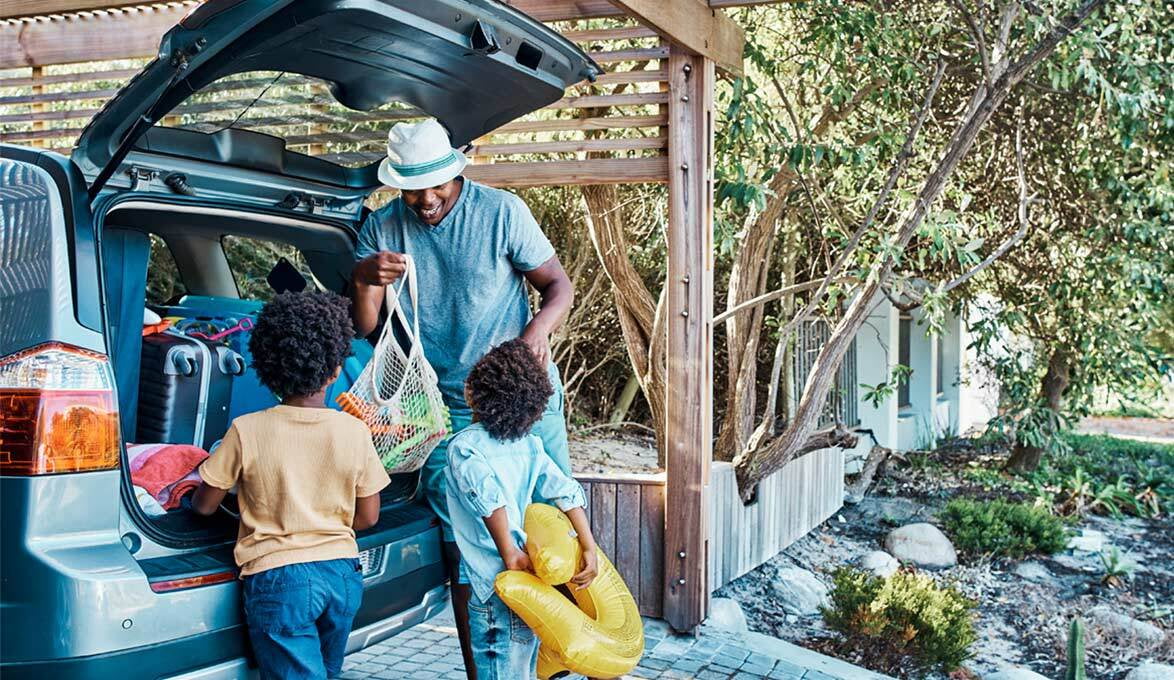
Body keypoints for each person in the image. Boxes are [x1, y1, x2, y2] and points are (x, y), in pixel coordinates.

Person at [350, 117, 574, 675]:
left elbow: (557, 286)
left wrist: (533, 338)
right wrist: (363, 280)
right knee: (470, 548)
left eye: (437, 184)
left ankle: (561, 659)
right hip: (443, 409)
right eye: (413, 187)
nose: (426, 199)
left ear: (456, 171)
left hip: (524, 396)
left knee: (551, 529)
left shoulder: (501, 213)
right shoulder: (380, 229)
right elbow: (369, 329)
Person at [192, 292, 391, 680]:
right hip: (342, 576)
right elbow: (368, 517)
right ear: (335, 371)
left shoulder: (246, 430)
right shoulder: (354, 431)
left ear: (267, 368)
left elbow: (203, 505)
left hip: (279, 580)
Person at [447, 339, 598, 679]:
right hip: (530, 585)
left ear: (472, 392)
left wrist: (509, 552)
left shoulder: (464, 447)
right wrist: (588, 545)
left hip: (494, 588)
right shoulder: (530, 446)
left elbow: (488, 498)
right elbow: (566, 491)